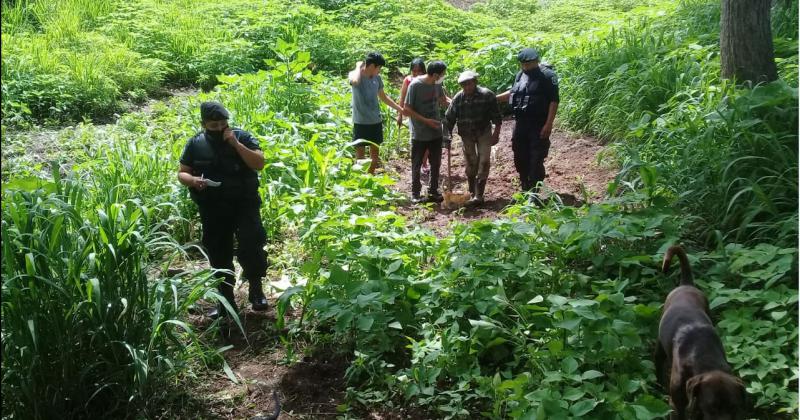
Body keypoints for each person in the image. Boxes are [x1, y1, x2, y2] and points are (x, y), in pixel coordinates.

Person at [178, 101, 269, 318]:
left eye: (222, 124)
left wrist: (236, 145)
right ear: (204, 125)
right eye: (214, 125)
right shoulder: (195, 144)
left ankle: (256, 291)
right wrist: (192, 180)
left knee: (252, 244)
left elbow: (259, 163)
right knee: (218, 252)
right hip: (213, 207)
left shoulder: (242, 137)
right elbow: (182, 172)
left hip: (244, 203)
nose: (219, 129)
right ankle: (225, 301)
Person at [496, 48, 559, 195]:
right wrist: (494, 98)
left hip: (538, 123)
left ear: (536, 61)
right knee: (519, 154)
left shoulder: (547, 76)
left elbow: (554, 101)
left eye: (528, 64)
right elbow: (514, 92)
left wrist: (548, 124)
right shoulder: (520, 75)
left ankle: (534, 192)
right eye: (523, 65)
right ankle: (525, 185)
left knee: (536, 157)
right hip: (520, 122)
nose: (525, 67)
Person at [444, 70, 502, 205]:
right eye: (464, 85)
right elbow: (448, 119)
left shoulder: (487, 95)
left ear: (475, 82)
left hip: (484, 132)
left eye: (469, 84)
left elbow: (497, 117)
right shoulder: (458, 99)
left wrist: (496, 133)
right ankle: (471, 192)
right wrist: (447, 136)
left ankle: (479, 195)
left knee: (484, 161)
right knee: (471, 162)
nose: (467, 87)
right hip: (466, 134)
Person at [349, 52, 404, 174]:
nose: (379, 71)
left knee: (374, 155)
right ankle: (361, 180)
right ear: (373, 66)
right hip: (360, 122)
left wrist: (399, 108)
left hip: (375, 121)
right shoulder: (355, 74)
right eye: (379, 68)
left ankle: (370, 177)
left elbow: (383, 97)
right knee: (360, 157)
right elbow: (354, 82)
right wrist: (358, 66)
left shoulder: (377, 78)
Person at [403, 60, 450, 203]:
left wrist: (455, 104)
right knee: (416, 164)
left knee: (436, 163)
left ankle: (433, 192)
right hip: (420, 132)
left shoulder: (437, 84)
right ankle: (415, 194)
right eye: (442, 75)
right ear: (435, 74)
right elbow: (407, 109)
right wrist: (425, 121)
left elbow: (442, 100)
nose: (443, 77)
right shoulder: (415, 85)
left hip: (435, 130)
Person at [397, 58, 433, 176]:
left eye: (419, 71)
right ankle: (419, 164)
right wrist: (400, 115)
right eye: (414, 71)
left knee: (429, 140)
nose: (417, 74)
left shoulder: (428, 80)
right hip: (413, 115)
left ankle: (424, 163)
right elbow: (402, 99)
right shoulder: (408, 81)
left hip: (427, 113)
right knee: (417, 140)